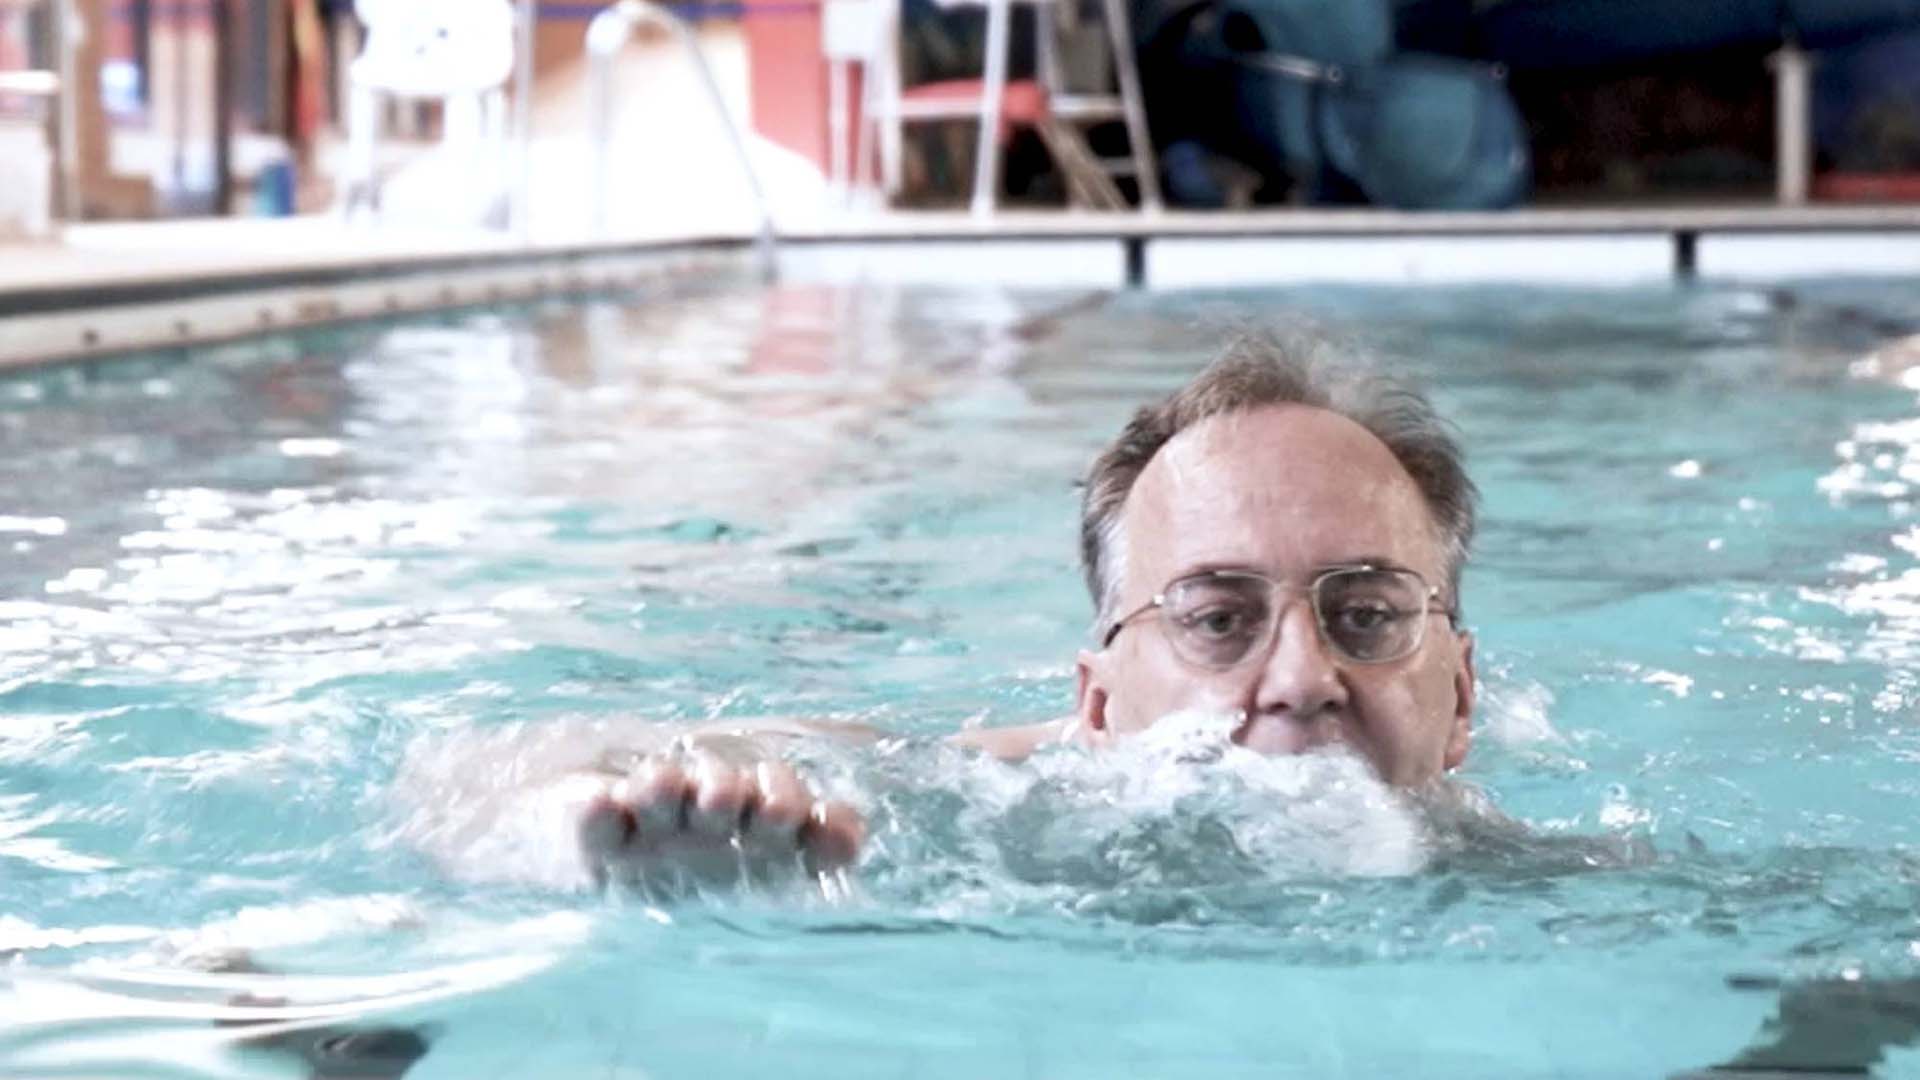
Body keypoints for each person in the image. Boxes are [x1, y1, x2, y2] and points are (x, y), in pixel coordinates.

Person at [532, 331, 1479, 889]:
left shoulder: (1568, 887)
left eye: (1366, 613)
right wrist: (617, 826)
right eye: (1218, 619)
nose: (1303, 680)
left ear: (1463, 697)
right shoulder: (999, 822)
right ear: (1098, 709)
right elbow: (510, 767)